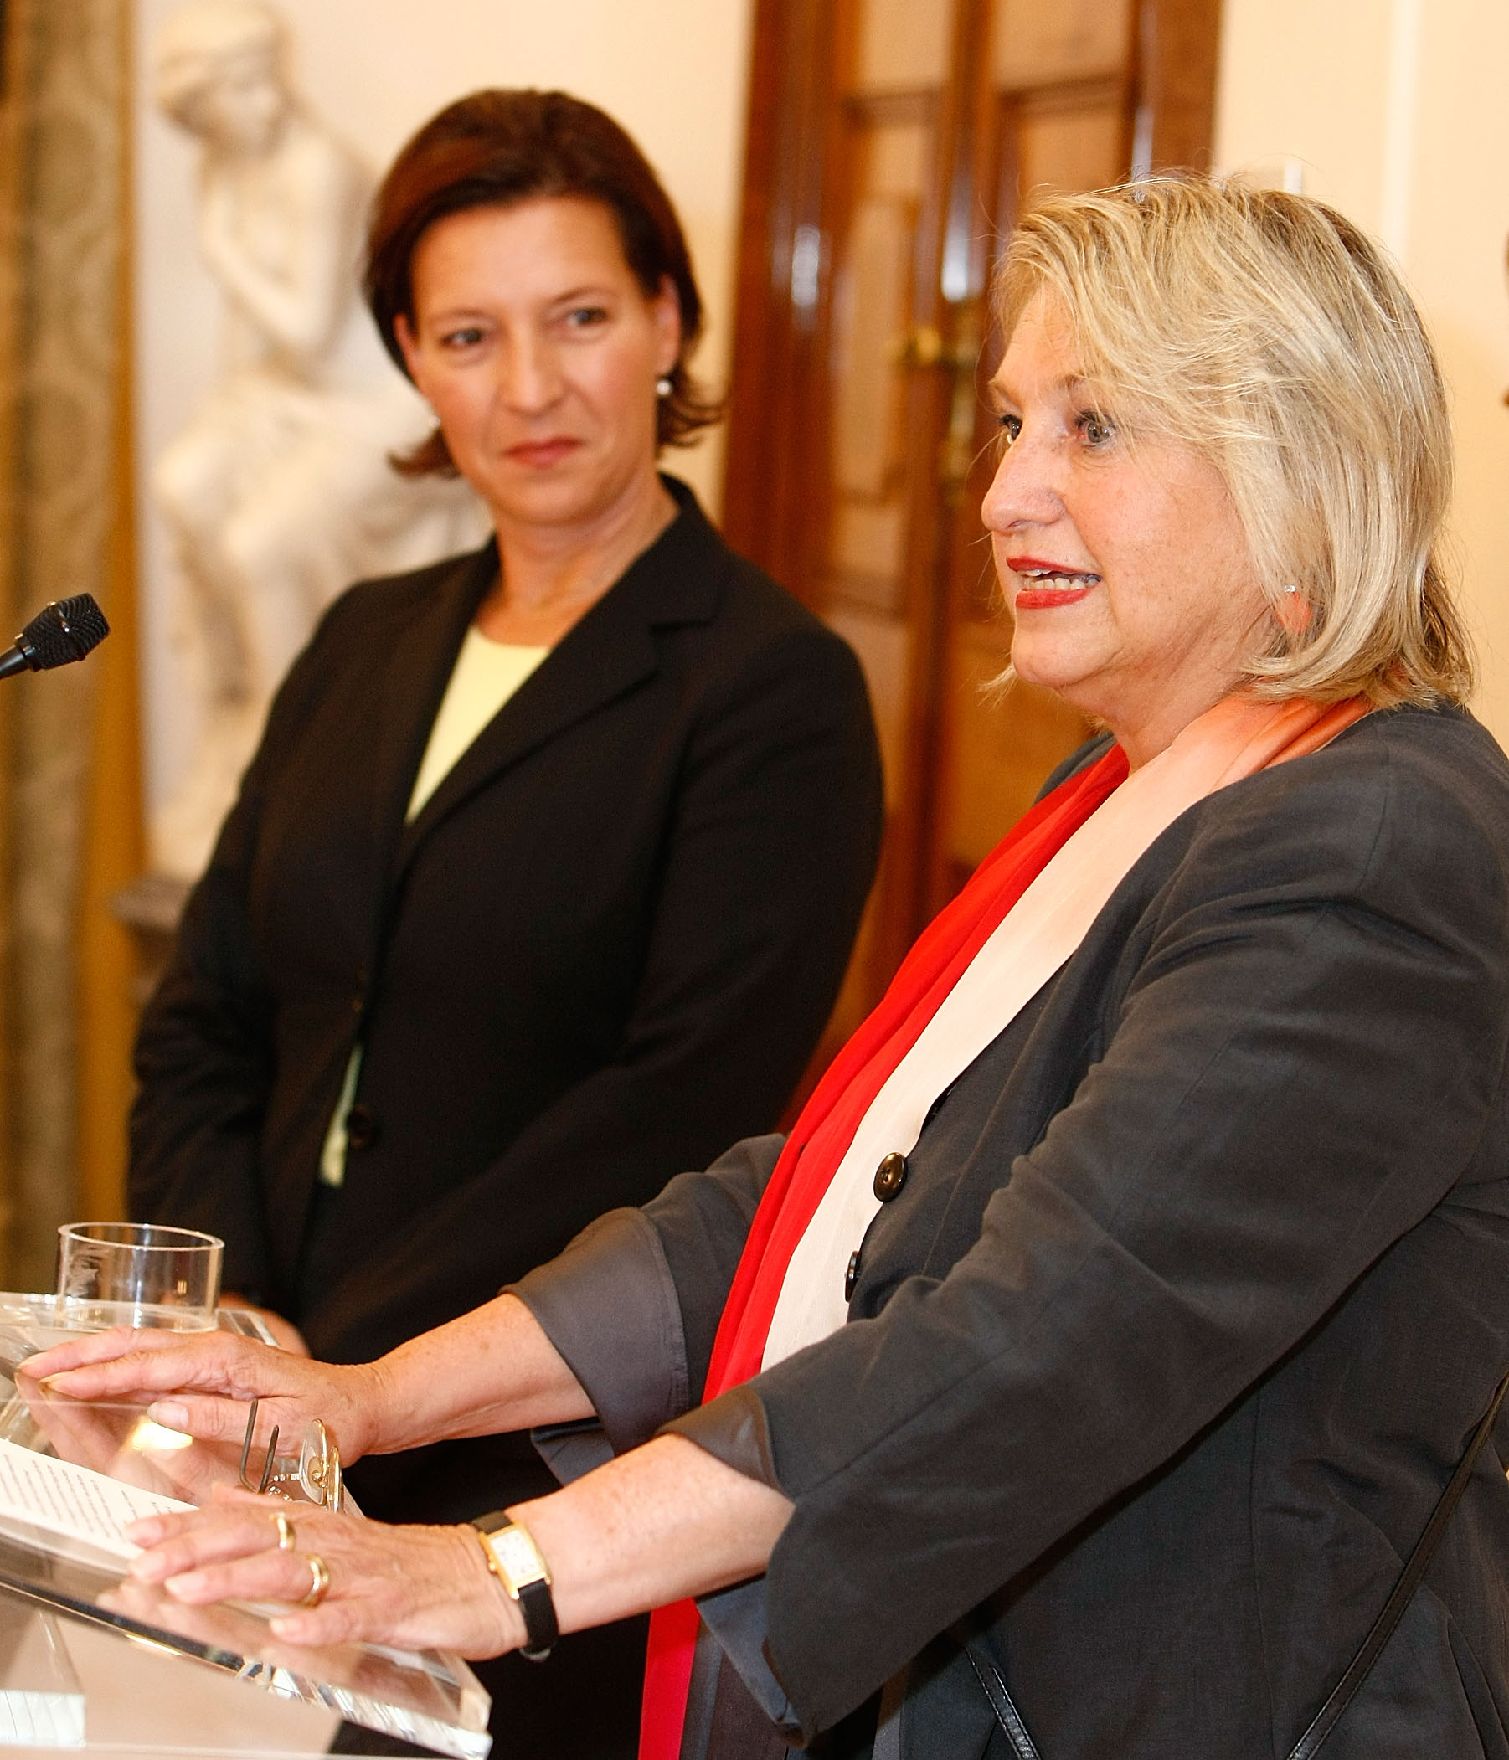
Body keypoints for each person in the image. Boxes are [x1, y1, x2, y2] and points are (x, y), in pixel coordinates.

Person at [38, 174, 1509, 1759]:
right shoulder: (1128, 789)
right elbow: (815, 1196)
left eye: (1091, 429)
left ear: (1298, 465)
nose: (1007, 495)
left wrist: (491, 1573)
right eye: (1012, 427)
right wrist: (369, 1398)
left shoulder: (1370, 843)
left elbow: (1039, 1329)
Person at [125, 88, 883, 1757]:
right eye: (467, 333)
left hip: (531, 1472)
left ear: (669, 321)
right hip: (264, 1421)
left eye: (580, 320)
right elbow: (213, 1011)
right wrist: (233, 1318)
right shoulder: (363, 637)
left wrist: (348, 1370)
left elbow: (678, 1111)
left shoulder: (769, 693)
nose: (528, 389)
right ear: (406, 351)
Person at [149, 0, 478, 879]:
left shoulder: (318, 167)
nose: (264, 105)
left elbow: (302, 323)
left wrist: (221, 254)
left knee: (258, 545)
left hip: (378, 401)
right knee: (182, 485)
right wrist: (232, 418)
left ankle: (283, 742)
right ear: (199, 112)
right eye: (239, 91)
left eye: (265, 79)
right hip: (288, 395)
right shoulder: (224, 167)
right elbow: (260, 351)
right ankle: (234, 705)